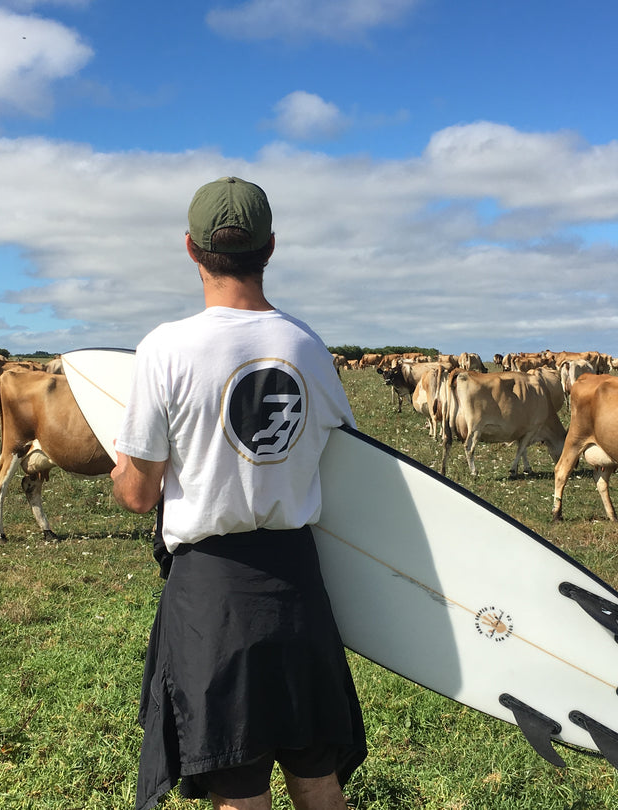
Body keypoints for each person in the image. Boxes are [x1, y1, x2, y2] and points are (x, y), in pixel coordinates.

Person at [111, 177, 366, 810]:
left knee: (238, 787)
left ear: (191, 250)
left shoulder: (164, 350)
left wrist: (125, 465)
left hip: (213, 592)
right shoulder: (307, 346)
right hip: (299, 581)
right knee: (316, 775)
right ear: (270, 247)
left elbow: (139, 494)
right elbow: (347, 460)